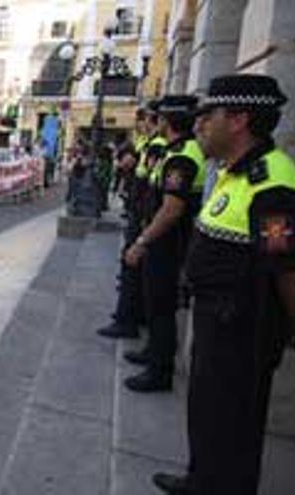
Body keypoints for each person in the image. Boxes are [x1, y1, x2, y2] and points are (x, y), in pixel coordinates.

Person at [151, 75, 295, 495]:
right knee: (208, 414)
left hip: (243, 333)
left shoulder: (272, 186)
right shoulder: (234, 172)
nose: (199, 127)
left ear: (238, 120)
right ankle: (201, 480)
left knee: (232, 424)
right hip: (218, 321)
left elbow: (284, 265)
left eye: (207, 116)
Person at [123, 95, 206, 393]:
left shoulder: (183, 156)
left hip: (169, 243)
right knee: (155, 301)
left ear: (167, 122)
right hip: (163, 240)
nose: (152, 123)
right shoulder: (176, 151)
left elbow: (171, 208)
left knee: (161, 305)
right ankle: (152, 354)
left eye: (157, 119)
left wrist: (142, 241)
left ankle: (159, 371)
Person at [97, 109, 154, 340]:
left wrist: (142, 237)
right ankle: (129, 315)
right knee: (133, 270)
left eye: (144, 121)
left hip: (147, 222)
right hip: (141, 214)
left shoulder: (160, 147)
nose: (141, 125)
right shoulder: (149, 144)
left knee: (134, 268)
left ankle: (128, 321)